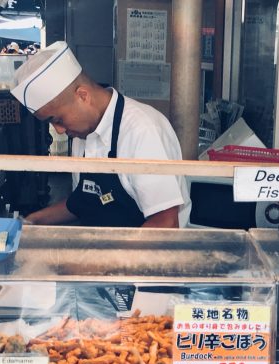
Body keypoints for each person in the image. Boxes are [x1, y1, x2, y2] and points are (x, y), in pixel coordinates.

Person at [11, 41, 191, 228]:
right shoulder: (82, 135)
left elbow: (165, 222)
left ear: (83, 96)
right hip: (100, 250)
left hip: (145, 256)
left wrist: (110, 258)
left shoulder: (142, 130)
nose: (59, 130)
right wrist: (31, 221)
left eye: (58, 120)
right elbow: (83, 202)